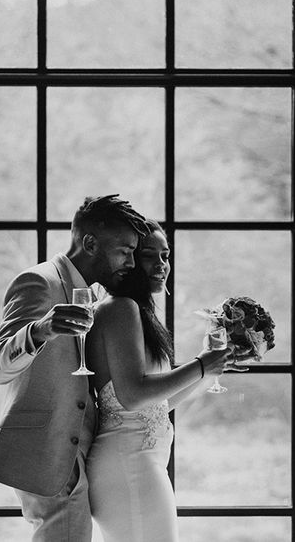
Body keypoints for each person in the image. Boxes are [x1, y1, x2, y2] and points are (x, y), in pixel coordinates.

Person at [0, 194, 149, 542]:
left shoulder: (92, 294)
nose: (131, 262)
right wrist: (39, 330)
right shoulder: (39, 282)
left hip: (73, 455)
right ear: (89, 243)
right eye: (124, 250)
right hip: (47, 451)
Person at [85, 220, 231, 542]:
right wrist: (200, 365)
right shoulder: (120, 308)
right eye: (151, 255)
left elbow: (157, 405)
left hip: (138, 462)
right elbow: (133, 395)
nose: (162, 265)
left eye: (165, 256)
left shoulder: (135, 310)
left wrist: (208, 368)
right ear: (128, 258)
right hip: (129, 464)